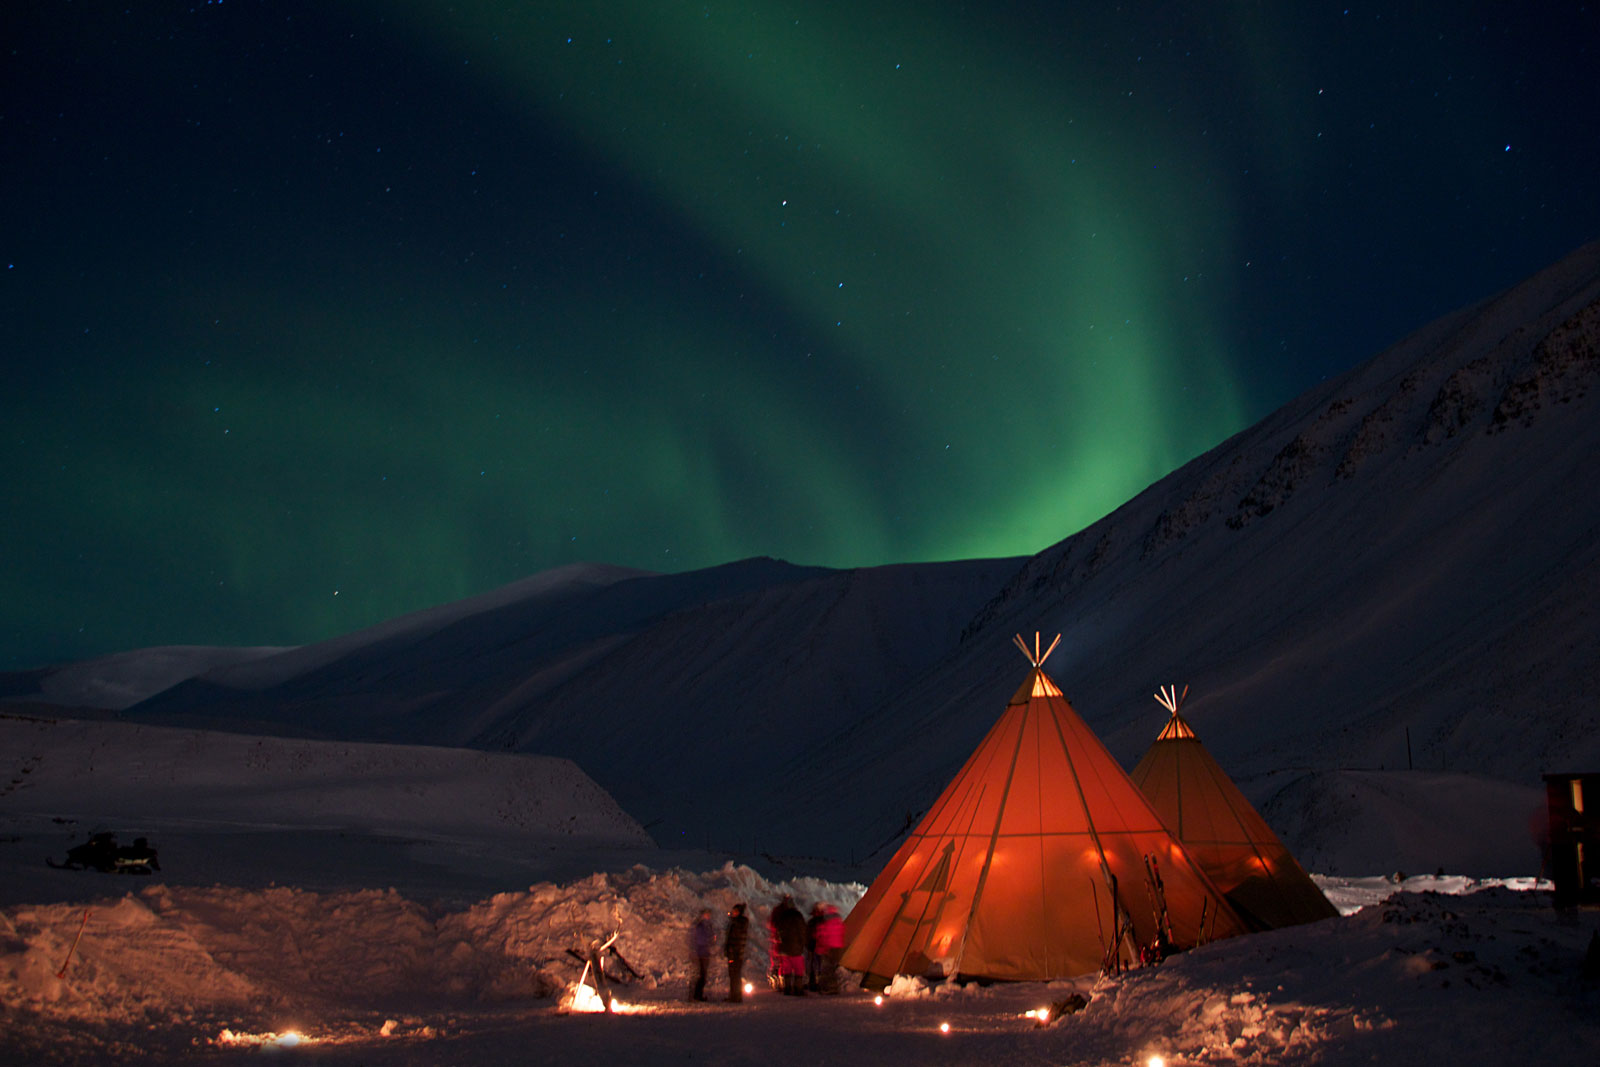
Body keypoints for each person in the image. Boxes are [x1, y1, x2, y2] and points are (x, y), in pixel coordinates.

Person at [770, 895, 808, 995]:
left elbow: (777, 930)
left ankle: (787, 988)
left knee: (786, 969)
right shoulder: (798, 916)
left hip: (784, 949)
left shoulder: (782, 917)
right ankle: (798, 989)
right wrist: (802, 943)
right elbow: (803, 931)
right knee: (798, 969)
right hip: (796, 948)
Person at [813, 902, 846, 994]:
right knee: (833, 968)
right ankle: (834, 987)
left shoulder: (825, 923)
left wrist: (821, 948)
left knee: (826, 969)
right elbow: (842, 932)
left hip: (828, 948)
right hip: (838, 948)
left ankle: (827, 988)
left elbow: (820, 935)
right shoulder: (839, 921)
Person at [724, 903, 749, 1002]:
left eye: (734, 911)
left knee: (734, 975)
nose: (732, 913)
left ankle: (735, 996)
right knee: (734, 975)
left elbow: (734, 940)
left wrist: (730, 951)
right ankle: (735, 995)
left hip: (735, 954)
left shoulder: (737, 924)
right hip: (736, 953)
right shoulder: (738, 923)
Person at [689, 908, 715, 1001]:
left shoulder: (706, 925)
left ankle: (698, 995)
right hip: (702, 953)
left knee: (703, 975)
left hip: (704, 952)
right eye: (707, 914)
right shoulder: (701, 926)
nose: (709, 916)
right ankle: (697, 995)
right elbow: (701, 940)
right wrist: (709, 940)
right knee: (702, 976)